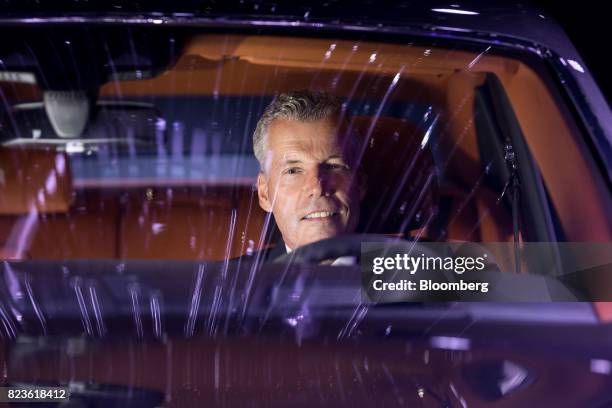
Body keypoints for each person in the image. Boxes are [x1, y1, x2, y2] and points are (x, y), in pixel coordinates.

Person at [252, 90, 367, 262]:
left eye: (334, 166)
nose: (317, 187)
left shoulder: (415, 275)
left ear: (360, 183)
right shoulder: (226, 283)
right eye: (293, 171)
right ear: (264, 193)